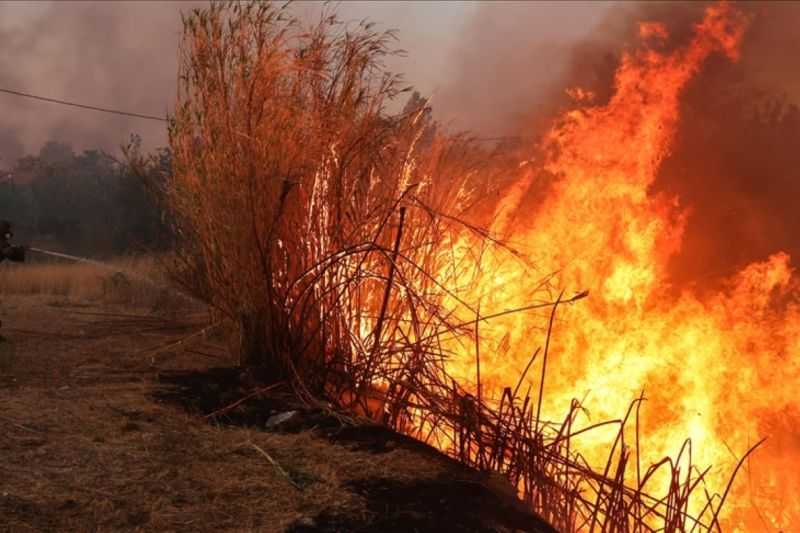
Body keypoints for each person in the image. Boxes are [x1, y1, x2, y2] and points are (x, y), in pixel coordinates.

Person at [0, 220, 25, 337]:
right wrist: (20, 250)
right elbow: (8, 253)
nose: (9, 235)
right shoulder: (2, 242)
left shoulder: (3, 242)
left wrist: (20, 249)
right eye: (7, 232)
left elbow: (10, 253)